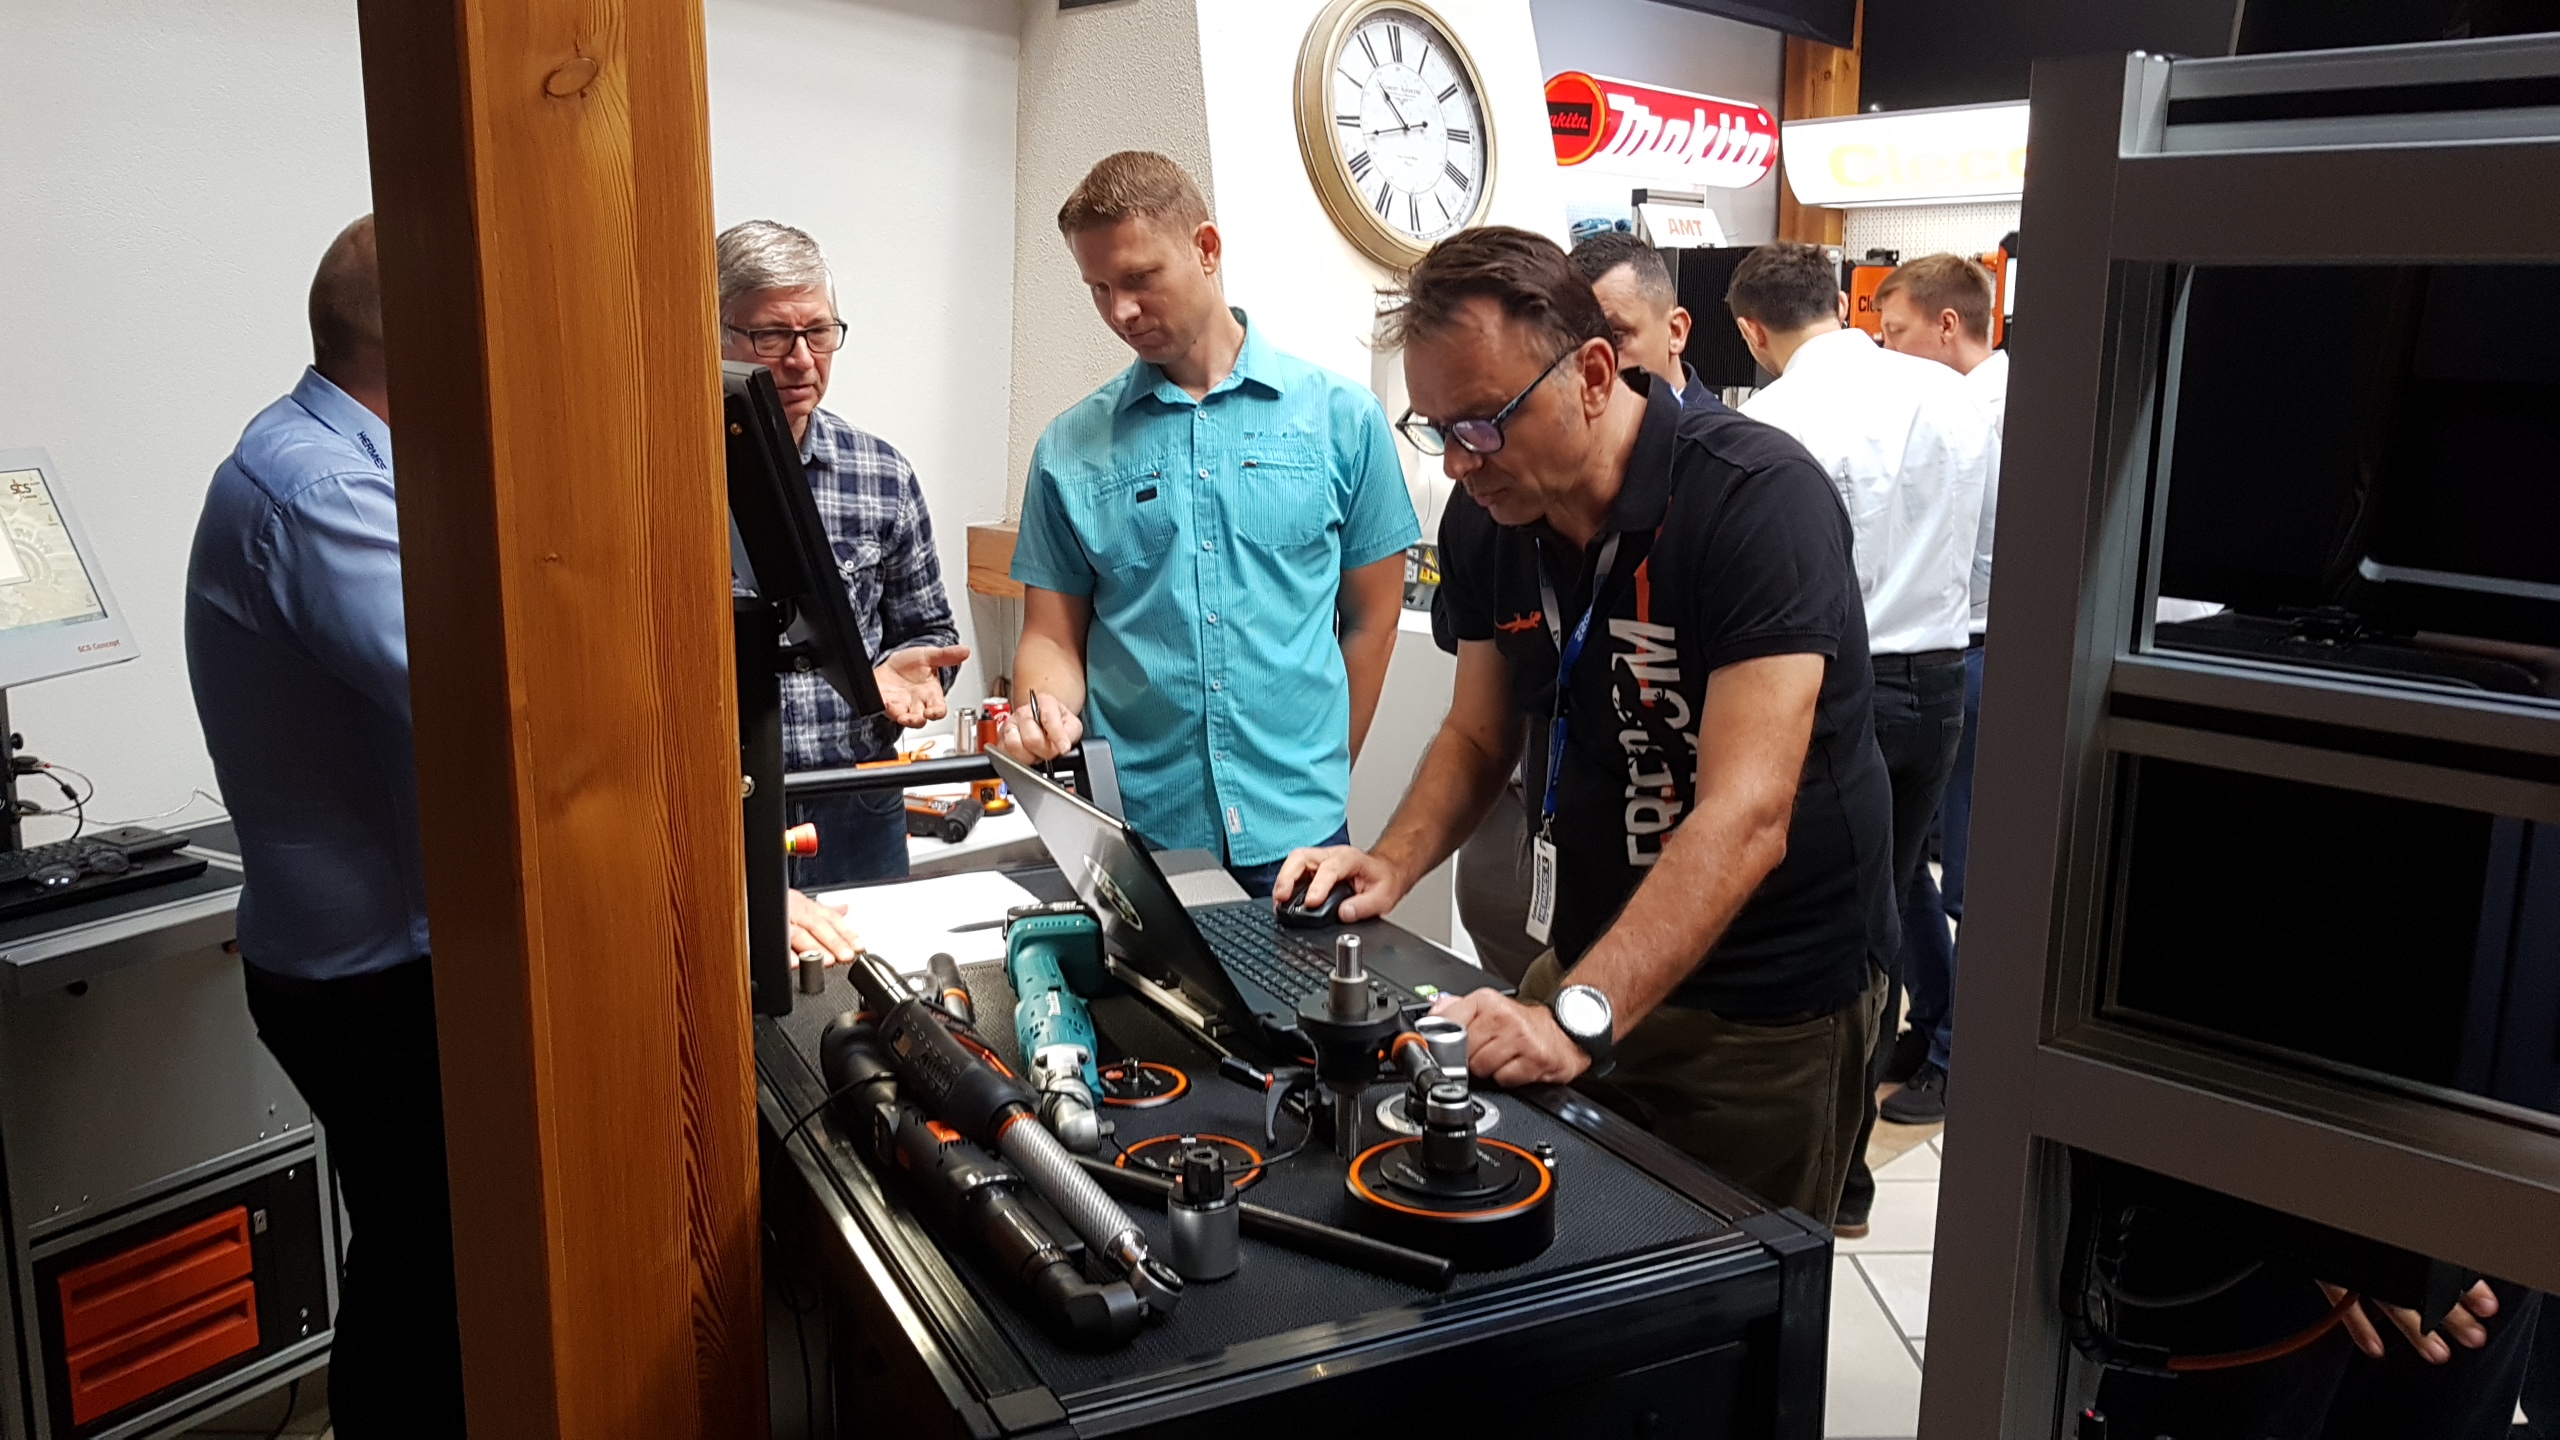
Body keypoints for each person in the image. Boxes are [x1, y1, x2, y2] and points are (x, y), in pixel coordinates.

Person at [1278, 227, 1894, 1222]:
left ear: (1596, 374)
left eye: (1484, 424)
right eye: (1436, 428)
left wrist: (1576, 1017)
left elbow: (1746, 814)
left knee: (1729, 1284)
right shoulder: (1488, 521)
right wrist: (1390, 864)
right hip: (1588, 954)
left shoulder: (1757, 499)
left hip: (1758, 1010)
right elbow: (1479, 735)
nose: (1460, 462)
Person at [184, 216, 465, 1437]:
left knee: (427, 1260)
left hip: (376, 958)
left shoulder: (348, 460)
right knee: (429, 1274)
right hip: (373, 979)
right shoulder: (323, 489)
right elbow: (478, 699)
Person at [997, 152, 1418, 896]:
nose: (1121, 312)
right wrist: (1042, 713)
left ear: (1207, 248)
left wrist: (1320, 772)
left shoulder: (1344, 420)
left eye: (1140, 278)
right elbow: (1053, 636)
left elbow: (1371, 621)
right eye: (1099, 289)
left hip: (1302, 837)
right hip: (1140, 835)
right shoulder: (1069, 447)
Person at [1725, 241, 1995, 1236]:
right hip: (1944, 676)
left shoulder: (1774, 420)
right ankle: (1847, 1160)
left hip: (1846, 687)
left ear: (1751, 331)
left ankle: (1833, 1171)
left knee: (1828, 924)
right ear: (1843, 302)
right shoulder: (1950, 396)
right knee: (1887, 898)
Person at [715, 220, 969, 913]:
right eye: (772, 336)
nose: (802, 361)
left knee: (869, 977)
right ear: (715, 333)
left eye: (819, 332)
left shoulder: (881, 475)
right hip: (718, 805)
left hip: (856, 802)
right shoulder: (664, 477)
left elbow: (927, 633)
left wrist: (910, 674)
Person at [1870, 252, 2008, 1126]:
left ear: (1947, 324)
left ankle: (1963, 1057)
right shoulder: (1952, 406)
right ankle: (1932, 1022)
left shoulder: (1991, 410)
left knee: (1968, 875)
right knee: (1901, 857)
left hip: (1980, 650)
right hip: (1935, 647)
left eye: (1897, 333)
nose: (1887, 351)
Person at [1569, 231, 1726, 411]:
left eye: (1615, 338)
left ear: (1676, 332)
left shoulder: (1725, 430)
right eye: (1571, 347)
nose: (1592, 363)